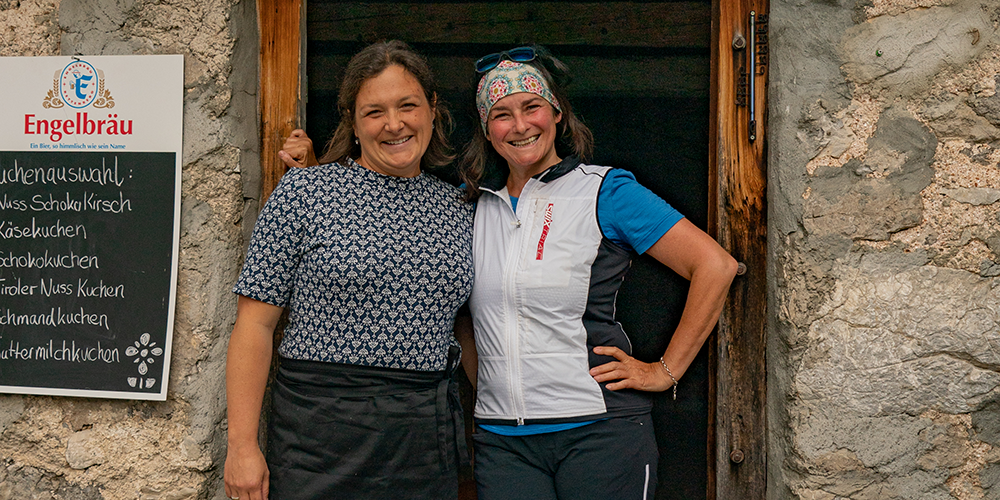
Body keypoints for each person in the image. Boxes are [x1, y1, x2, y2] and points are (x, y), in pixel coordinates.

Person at [455, 45, 738, 500]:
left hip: (600, 433)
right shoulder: (470, 208)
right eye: (502, 114)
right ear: (487, 131)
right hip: (503, 442)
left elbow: (715, 265)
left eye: (533, 107)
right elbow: (466, 317)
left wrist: (665, 371)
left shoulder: (605, 190)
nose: (521, 125)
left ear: (558, 113)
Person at [224, 40, 473, 500]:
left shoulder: (458, 209)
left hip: (422, 439)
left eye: (408, 106)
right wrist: (241, 446)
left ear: (432, 109)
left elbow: (468, 325)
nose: (394, 124)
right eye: (374, 111)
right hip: (320, 433)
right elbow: (254, 325)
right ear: (353, 123)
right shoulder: (305, 193)